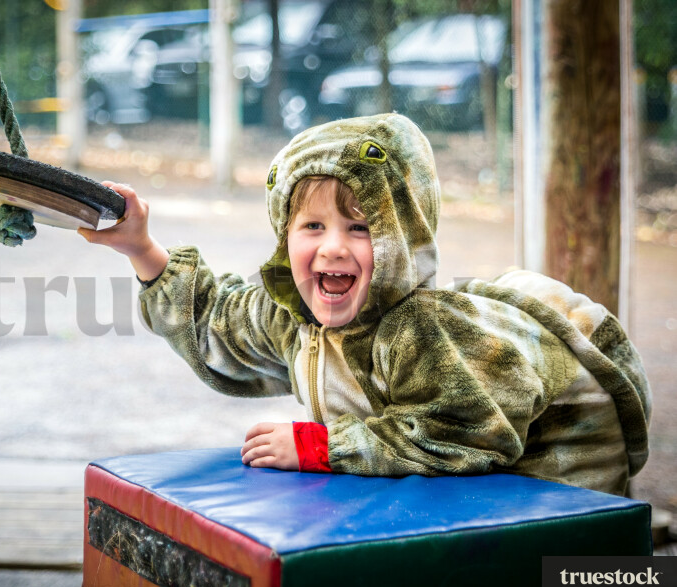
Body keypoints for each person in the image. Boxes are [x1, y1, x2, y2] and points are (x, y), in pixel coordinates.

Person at [79, 113, 651, 496]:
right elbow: (218, 324)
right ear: (284, 235)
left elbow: (467, 434)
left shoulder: (423, 329)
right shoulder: (293, 314)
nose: (332, 247)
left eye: (359, 226)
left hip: (561, 485)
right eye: (312, 225)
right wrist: (141, 247)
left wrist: (321, 446)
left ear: (401, 237)